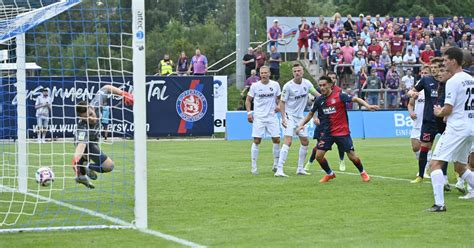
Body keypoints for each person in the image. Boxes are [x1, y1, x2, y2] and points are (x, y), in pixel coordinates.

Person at [296, 76, 379, 183]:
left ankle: (363, 172)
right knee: (318, 156)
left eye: (324, 85)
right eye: (320, 85)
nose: (322, 87)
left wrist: (368, 106)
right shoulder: (319, 100)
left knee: (353, 157)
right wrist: (301, 124)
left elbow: (355, 99)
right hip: (327, 133)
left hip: (342, 132)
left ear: (330, 85)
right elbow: (311, 114)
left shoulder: (340, 96)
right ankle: (330, 174)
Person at [426, 47, 474, 212]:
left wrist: (439, 112)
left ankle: (439, 204)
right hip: (470, 127)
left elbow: (448, 108)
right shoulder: (470, 78)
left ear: (454, 61)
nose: (444, 63)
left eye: (446, 60)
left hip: (457, 127)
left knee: (435, 164)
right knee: (461, 167)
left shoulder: (453, 81)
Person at [72, 85, 134, 189]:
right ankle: (85, 167)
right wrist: (75, 159)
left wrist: (123, 94)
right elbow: (81, 145)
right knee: (109, 166)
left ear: (91, 107)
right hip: (87, 144)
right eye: (86, 118)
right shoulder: (82, 127)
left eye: (91, 114)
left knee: (85, 161)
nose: (91, 118)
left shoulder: (96, 103)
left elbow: (106, 88)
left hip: (94, 140)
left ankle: (81, 175)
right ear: (81, 118)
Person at [274, 63, 320, 177]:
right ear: (293, 73)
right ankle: (279, 169)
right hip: (289, 116)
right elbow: (282, 102)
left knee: (305, 142)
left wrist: (328, 97)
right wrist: (283, 117)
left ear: (302, 72)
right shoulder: (288, 86)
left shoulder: (307, 83)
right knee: (288, 141)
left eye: (299, 71)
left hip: (300, 118)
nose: (297, 73)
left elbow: (317, 95)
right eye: (295, 71)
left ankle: (300, 169)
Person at [407, 62, 446, 184]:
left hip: (444, 120)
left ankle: (447, 177)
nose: (434, 70)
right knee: (424, 147)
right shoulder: (426, 80)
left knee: (446, 149)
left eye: (436, 68)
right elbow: (410, 92)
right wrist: (412, 93)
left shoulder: (448, 81)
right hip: (429, 120)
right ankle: (421, 175)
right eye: (432, 68)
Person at [305, 72, 347, 172]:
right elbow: (315, 106)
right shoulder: (320, 90)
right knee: (319, 145)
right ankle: (309, 162)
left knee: (340, 145)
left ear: (335, 80)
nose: (332, 79)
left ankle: (342, 161)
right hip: (323, 124)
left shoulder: (339, 91)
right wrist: (315, 118)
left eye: (334, 78)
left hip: (337, 125)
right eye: (330, 78)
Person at [245, 66, 281, 175]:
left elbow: (280, 98)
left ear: (269, 73)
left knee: (277, 139)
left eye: (266, 72)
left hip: (272, 116)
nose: (264, 75)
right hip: (259, 117)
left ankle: (275, 164)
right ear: (259, 74)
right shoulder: (255, 86)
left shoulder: (275, 85)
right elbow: (248, 100)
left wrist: (279, 105)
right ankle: (254, 166)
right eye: (262, 73)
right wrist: (249, 113)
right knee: (257, 140)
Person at [407, 67, 428, 180]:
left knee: (426, 146)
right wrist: (411, 113)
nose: (424, 74)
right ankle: (426, 164)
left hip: (427, 122)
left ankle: (424, 170)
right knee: (415, 147)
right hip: (417, 122)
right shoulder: (417, 89)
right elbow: (410, 104)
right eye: (422, 72)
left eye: (426, 73)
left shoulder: (431, 88)